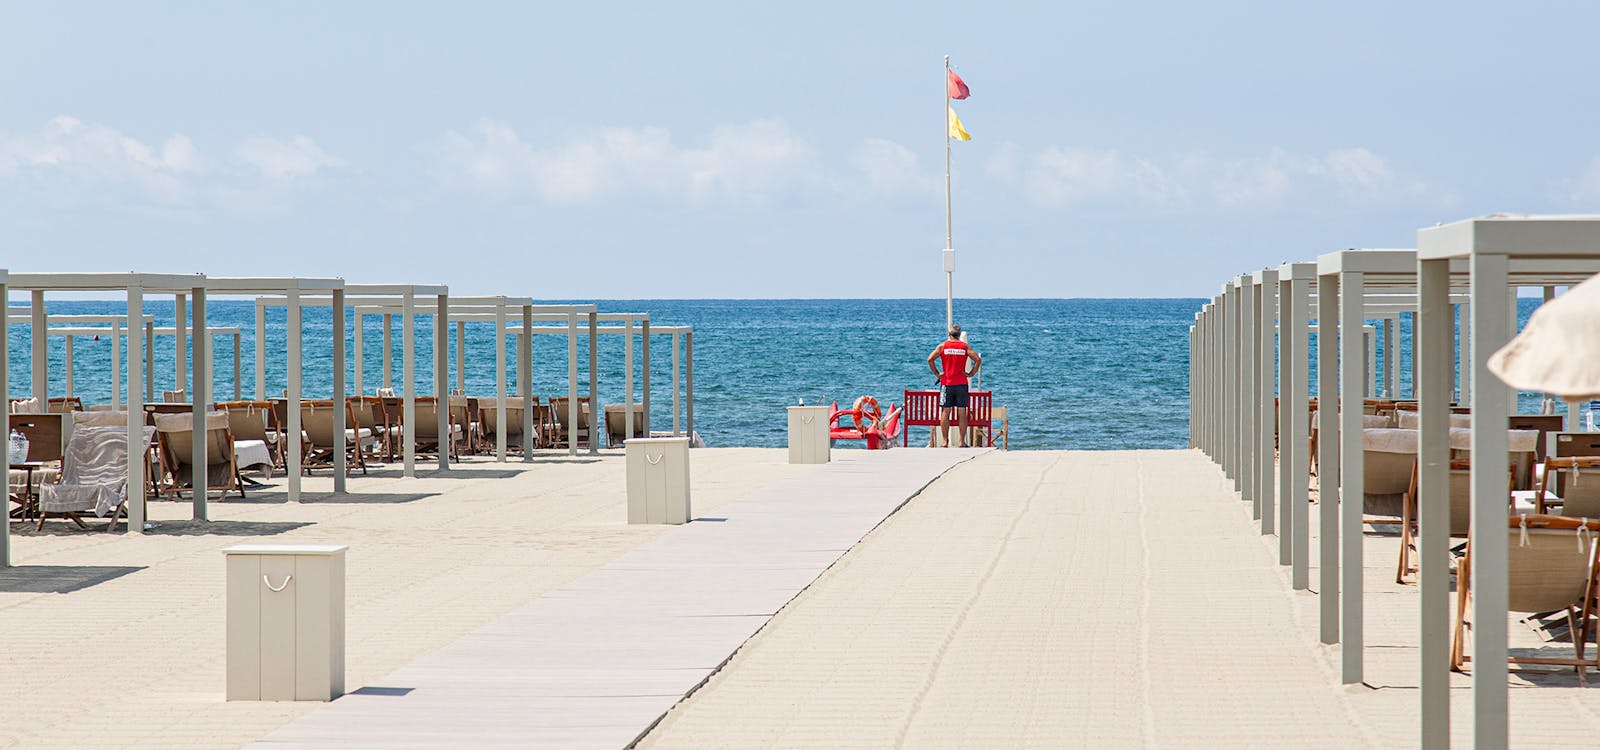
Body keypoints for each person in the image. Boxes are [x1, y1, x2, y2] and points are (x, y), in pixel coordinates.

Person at [927, 324, 981, 447]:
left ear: (949, 334)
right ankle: (962, 441)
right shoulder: (964, 347)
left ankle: (945, 441)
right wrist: (971, 373)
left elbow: (930, 359)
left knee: (946, 412)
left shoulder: (943, 346)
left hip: (947, 383)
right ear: (959, 334)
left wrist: (937, 373)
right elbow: (977, 360)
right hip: (961, 383)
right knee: (962, 412)